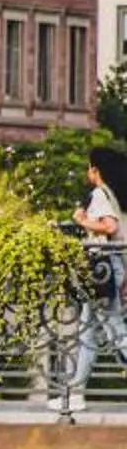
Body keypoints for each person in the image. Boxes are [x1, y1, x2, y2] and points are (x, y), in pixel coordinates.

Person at [73, 155, 127, 394]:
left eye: (88, 168)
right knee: (87, 333)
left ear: (95, 170)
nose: (87, 173)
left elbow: (110, 227)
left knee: (115, 329)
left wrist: (83, 221)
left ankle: (74, 394)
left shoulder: (99, 193)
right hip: (107, 267)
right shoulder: (111, 195)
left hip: (102, 268)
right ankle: (74, 394)